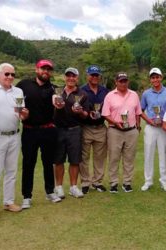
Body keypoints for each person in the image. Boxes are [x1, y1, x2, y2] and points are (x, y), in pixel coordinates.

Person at [0, 63, 29, 219]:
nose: (10, 77)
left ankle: (9, 202)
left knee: (11, 171)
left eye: (12, 74)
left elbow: (21, 114)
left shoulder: (18, 91)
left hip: (15, 135)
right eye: (6, 74)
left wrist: (24, 114)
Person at [17, 59, 61, 209]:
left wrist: (57, 101)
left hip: (48, 130)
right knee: (28, 163)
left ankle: (50, 191)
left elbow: (56, 97)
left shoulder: (53, 88)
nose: (46, 72)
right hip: (29, 130)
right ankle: (27, 196)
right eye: (43, 69)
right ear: (36, 69)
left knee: (48, 162)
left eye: (48, 70)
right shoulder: (24, 85)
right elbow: (11, 95)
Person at [102, 72, 142, 193]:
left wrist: (138, 126)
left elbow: (138, 112)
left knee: (129, 158)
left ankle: (127, 183)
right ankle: (113, 183)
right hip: (115, 130)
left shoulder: (134, 94)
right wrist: (115, 122)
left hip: (131, 130)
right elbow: (105, 114)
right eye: (121, 81)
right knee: (114, 157)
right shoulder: (110, 95)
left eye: (125, 81)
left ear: (127, 82)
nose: (123, 83)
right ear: (116, 82)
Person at [53, 67, 89, 198]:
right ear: (65, 77)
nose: (71, 78)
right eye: (68, 76)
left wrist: (80, 112)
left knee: (74, 160)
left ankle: (73, 187)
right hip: (58, 129)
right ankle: (59, 187)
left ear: (77, 78)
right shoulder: (57, 92)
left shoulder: (83, 94)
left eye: (73, 76)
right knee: (58, 160)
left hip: (75, 129)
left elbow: (86, 114)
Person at [140, 68, 166, 192]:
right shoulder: (146, 93)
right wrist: (149, 121)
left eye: (157, 77)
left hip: (164, 128)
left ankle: (164, 181)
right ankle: (148, 181)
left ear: (161, 77)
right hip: (151, 127)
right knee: (148, 153)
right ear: (150, 79)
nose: (155, 79)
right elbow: (141, 110)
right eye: (153, 77)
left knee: (164, 154)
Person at [80, 65, 109, 194]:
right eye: (92, 75)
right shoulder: (81, 90)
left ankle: (97, 182)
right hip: (86, 127)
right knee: (84, 157)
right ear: (87, 75)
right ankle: (85, 182)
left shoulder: (105, 91)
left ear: (100, 76)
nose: (94, 77)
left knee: (100, 157)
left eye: (97, 75)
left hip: (101, 127)